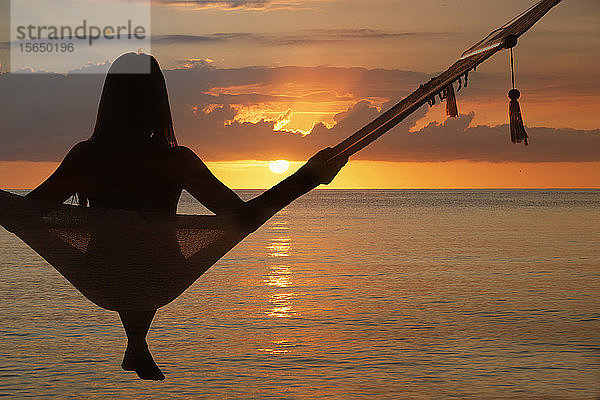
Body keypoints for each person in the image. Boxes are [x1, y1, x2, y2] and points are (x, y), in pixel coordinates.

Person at [25, 52, 347, 380]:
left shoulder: (87, 157)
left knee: (126, 240)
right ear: (158, 103)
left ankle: (136, 341)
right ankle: (137, 342)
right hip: (161, 279)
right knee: (144, 240)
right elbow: (244, 219)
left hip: (99, 278)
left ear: (108, 103)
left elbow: (25, 213)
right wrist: (307, 178)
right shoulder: (175, 161)